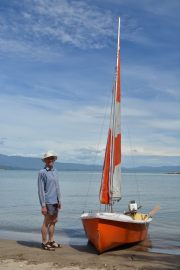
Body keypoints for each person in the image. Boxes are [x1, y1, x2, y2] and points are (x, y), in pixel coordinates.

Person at [38, 150, 61, 251]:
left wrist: (59, 200)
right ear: (45, 160)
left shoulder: (55, 171)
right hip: (48, 201)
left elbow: (57, 187)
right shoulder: (42, 172)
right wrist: (43, 205)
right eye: (48, 158)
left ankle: (51, 241)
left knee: (54, 221)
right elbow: (40, 190)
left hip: (55, 201)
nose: (50, 160)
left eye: (52, 158)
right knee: (46, 222)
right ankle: (44, 242)